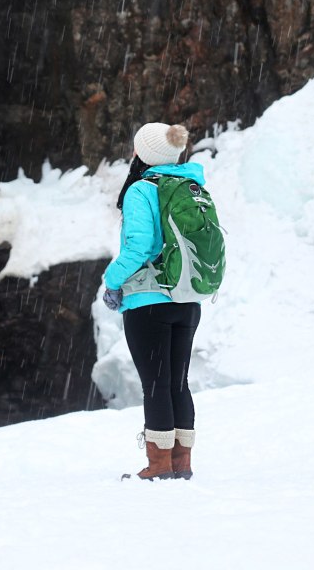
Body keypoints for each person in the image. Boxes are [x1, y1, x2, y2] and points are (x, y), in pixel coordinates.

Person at [102, 121, 204, 481]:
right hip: (187, 300)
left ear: (140, 153)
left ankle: (159, 466)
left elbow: (138, 248)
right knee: (178, 382)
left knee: (156, 384)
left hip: (149, 300)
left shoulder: (142, 190)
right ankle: (181, 463)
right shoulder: (190, 187)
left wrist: (111, 282)